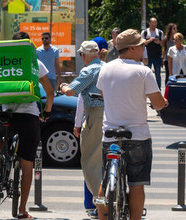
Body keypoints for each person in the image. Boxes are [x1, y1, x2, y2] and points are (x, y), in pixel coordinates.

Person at [96, 29, 168, 220]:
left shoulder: (105, 69)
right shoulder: (143, 71)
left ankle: (102, 213)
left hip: (109, 135)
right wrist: (162, 103)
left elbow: (105, 97)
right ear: (132, 49)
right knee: (136, 184)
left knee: (105, 178)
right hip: (137, 135)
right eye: (141, 46)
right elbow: (159, 104)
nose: (143, 49)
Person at [0, 31, 54, 219]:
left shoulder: (2, 59)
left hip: (7, 114)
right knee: (27, 164)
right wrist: (47, 112)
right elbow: (49, 92)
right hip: (28, 117)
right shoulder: (35, 62)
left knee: (1, 135)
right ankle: (22, 210)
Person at [60, 41, 104, 215]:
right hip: (114, 115)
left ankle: (101, 201)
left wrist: (63, 86)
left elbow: (72, 92)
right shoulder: (108, 67)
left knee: (91, 161)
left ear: (83, 55)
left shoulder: (89, 70)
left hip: (96, 115)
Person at [141, 17, 164, 90]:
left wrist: (159, 42)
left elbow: (163, 44)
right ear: (149, 23)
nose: (154, 26)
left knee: (158, 75)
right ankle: (147, 90)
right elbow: (142, 44)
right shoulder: (145, 32)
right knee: (146, 75)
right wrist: (150, 40)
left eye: (155, 24)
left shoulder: (160, 32)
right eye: (152, 24)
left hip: (157, 56)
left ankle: (158, 90)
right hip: (147, 56)